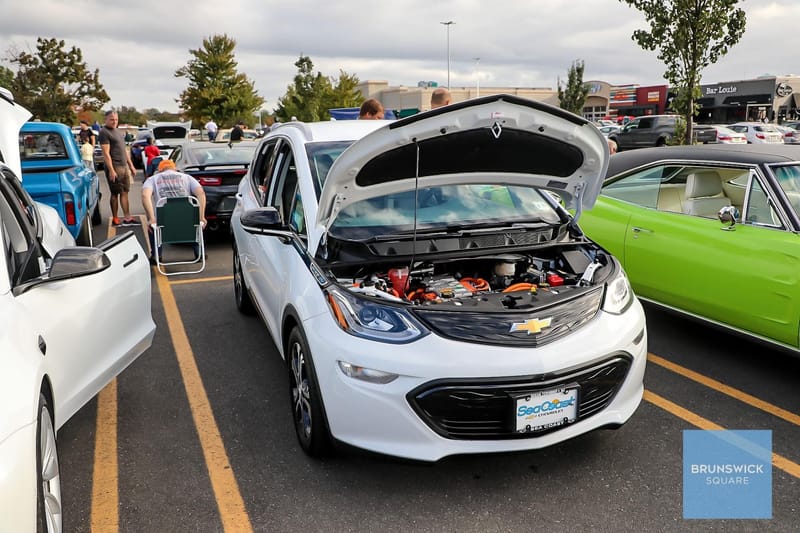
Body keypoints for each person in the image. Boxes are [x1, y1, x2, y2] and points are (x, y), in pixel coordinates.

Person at [142, 159, 207, 263]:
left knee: (152, 227)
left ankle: (156, 255)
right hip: (187, 220)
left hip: (164, 221)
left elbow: (145, 195)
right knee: (196, 224)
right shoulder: (187, 177)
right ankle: (199, 252)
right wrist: (201, 217)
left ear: (159, 170)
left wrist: (151, 219)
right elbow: (201, 193)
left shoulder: (152, 179)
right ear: (175, 169)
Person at [98, 110, 138, 226]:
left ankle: (127, 217)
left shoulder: (118, 132)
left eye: (116, 119)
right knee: (115, 193)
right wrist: (111, 169)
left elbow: (124, 150)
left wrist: (131, 165)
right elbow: (106, 153)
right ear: (105, 119)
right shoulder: (104, 132)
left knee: (125, 191)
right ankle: (115, 218)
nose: (114, 121)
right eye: (111, 119)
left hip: (123, 165)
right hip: (114, 166)